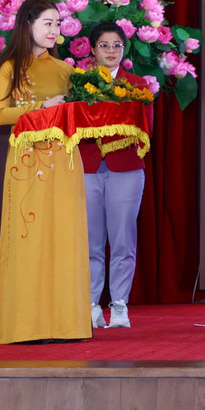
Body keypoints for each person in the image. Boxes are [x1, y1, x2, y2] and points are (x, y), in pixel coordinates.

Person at [0, 0, 92, 344]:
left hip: (65, 160)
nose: (54, 30)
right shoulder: (8, 68)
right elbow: (0, 115)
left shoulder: (66, 70)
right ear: (27, 24)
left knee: (65, 238)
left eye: (58, 24)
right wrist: (41, 107)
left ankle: (66, 325)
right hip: (28, 162)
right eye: (47, 23)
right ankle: (27, 326)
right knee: (29, 239)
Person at [80, 21, 154, 329]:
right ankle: (91, 305)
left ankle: (119, 304)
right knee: (90, 242)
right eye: (104, 45)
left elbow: (146, 128)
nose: (111, 51)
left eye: (117, 45)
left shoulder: (137, 85)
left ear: (124, 49)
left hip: (126, 167)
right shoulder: (79, 82)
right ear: (92, 49)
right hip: (87, 167)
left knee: (123, 240)